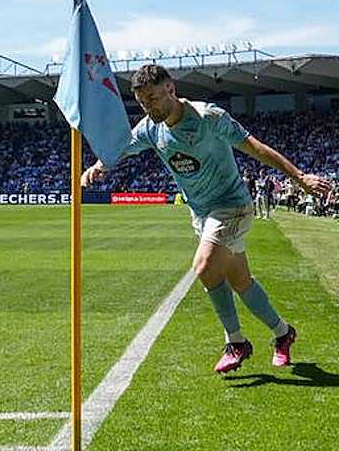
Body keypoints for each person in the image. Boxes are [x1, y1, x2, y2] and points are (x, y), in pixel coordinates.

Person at [81, 64, 333, 374]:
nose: (149, 107)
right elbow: (123, 148)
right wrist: (99, 165)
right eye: (143, 102)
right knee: (240, 282)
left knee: (203, 267)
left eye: (153, 99)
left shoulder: (208, 117)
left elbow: (257, 148)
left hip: (232, 206)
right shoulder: (150, 127)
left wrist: (299, 176)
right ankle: (283, 333)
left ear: (171, 89)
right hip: (201, 213)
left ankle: (236, 342)